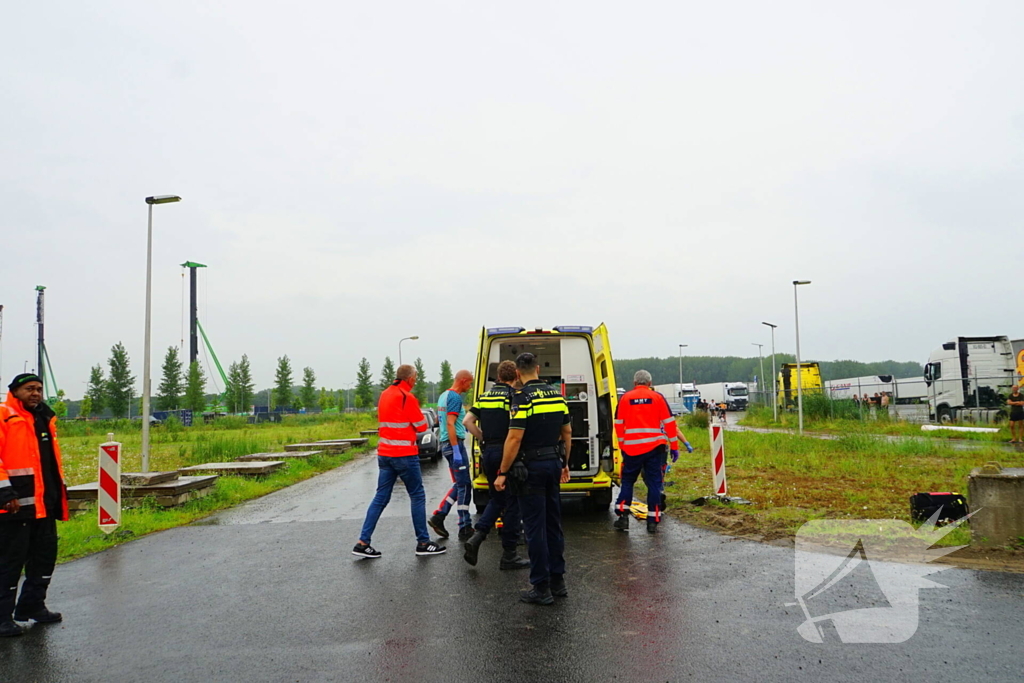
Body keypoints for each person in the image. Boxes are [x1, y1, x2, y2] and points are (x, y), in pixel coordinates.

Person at [495, 353, 571, 605]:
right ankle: (558, 581)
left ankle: (541, 587)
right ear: (538, 369)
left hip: (531, 468)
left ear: (517, 373)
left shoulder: (521, 398)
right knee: (553, 524)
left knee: (534, 528)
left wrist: (503, 472)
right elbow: (567, 431)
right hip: (553, 464)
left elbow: (515, 438)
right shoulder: (558, 396)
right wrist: (566, 464)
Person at [353, 365, 446, 558]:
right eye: (416, 377)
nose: (416, 381)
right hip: (404, 454)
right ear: (410, 378)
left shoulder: (385, 394)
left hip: (385, 454)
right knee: (417, 495)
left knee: (380, 498)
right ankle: (423, 542)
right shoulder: (407, 397)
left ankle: (363, 542)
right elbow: (422, 426)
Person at [0, 373, 68, 637]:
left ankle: (32, 606)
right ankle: (2, 617)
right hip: (14, 506)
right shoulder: (5, 416)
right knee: (10, 562)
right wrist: (5, 493)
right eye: (29, 389)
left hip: (44, 504)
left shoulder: (44, 418)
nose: (36, 393)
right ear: (15, 391)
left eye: (39, 389)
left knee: (43, 558)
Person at [461, 360, 529, 570]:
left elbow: (467, 422)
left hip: (489, 452)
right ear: (516, 376)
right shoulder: (513, 397)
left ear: (498, 377)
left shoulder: (484, 397)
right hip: (507, 452)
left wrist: (482, 438)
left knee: (497, 498)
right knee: (513, 502)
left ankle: (477, 536)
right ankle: (509, 554)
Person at [612, 370, 684, 533]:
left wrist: (623, 445)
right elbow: (669, 424)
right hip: (655, 448)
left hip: (631, 449)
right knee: (654, 483)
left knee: (628, 481)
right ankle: (653, 521)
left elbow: (618, 424)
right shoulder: (658, 398)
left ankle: (623, 517)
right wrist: (674, 446)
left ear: (634, 383)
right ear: (650, 383)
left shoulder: (625, 398)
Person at [428, 369, 475, 541]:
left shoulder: (443, 395)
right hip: (454, 444)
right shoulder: (455, 397)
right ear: (462, 380)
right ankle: (464, 526)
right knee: (464, 486)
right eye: (469, 382)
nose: (470, 386)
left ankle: (439, 516)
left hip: (446, 444)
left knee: (460, 484)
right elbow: (450, 423)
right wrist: (456, 450)